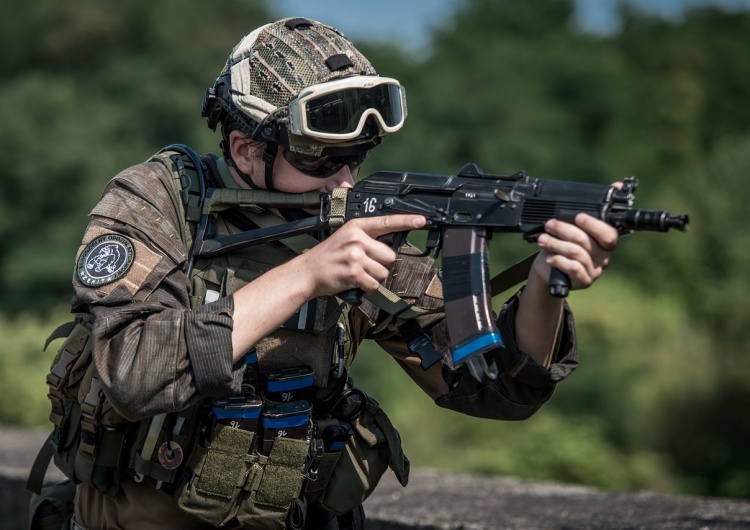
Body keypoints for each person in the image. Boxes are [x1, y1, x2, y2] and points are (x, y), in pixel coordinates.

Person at [34, 17, 619, 530]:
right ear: (244, 149)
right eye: (318, 158)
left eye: (355, 157)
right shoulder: (159, 202)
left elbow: (498, 390)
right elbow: (133, 371)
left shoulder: (350, 227)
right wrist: (307, 275)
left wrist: (545, 282)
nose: (343, 180)